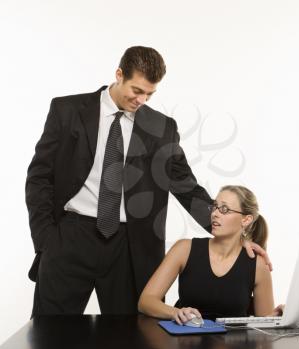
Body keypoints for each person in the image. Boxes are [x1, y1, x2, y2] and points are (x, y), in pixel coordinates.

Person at [26, 46, 269, 317]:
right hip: (70, 236)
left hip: (131, 246)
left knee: (133, 337)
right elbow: (39, 177)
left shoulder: (162, 128)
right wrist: (46, 240)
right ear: (119, 75)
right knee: (50, 334)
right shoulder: (67, 110)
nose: (142, 100)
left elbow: (186, 187)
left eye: (150, 94)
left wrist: (232, 235)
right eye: (137, 90)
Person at [138, 185, 282, 324]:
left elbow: (265, 325)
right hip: (186, 341)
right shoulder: (184, 249)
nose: (215, 213)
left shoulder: (258, 265)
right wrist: (175, 312)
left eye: (224, 209)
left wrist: (282, 316)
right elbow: (146, 301)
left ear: (246, 220)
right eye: (215, 207)